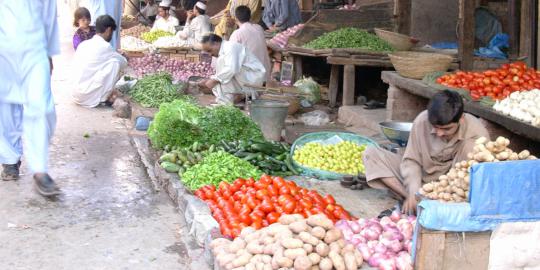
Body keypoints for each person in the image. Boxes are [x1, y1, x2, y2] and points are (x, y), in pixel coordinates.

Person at [362, 90, 490, 215]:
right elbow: (411, 161)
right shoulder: (422, 121)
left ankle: (431, 206)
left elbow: (475, 180)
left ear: (461, 119)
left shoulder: (477, 134)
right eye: (435, 127)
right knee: (371, 154)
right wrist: (413, 193)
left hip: (451, 190)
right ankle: (413, 201)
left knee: (471, 148)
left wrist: (445, 193)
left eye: (446, 129)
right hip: (420, 182)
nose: (439, 133)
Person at [0, 0, 61, 196]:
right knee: (6, 110)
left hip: (36, 50)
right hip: (3, 51)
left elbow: (50, 16)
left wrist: (50, 53)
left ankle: (39, 169)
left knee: (43, 108)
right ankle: (9, 160)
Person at [72, 15, 128, 108]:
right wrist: (124, 56)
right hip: (87, 98)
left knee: (107, 62)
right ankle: (103, 97)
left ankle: (100, 94)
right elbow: (124, 63)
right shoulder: (105, 46)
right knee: (115, 63)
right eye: (112, 32)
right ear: (108, 30)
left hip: (76, 94)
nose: (111, 35)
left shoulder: (84, 44)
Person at [199, 34, 266, 105]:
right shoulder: (223, 52)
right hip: (245, 78)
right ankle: (229, 98)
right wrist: (212, 80)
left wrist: (214, 80)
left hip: (253, 78)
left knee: (225, 74)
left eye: (210, 50)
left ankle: (240, 96)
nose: (210, 54)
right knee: (221, 75)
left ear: (216, 43)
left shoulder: (231, 47)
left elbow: (231, 69)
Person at [230, 6, 272, 82]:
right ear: (250, 16)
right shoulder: (259, 28)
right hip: (265, 74)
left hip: (252, 78)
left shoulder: (237, 34)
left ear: (235, 18)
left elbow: (231, 57)